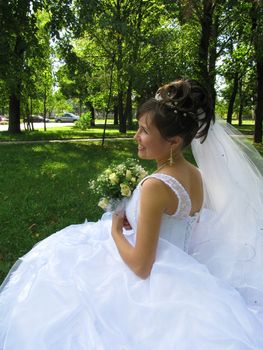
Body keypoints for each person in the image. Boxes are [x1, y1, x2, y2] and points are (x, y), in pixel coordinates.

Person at [1, 78, 263, 349]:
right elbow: (178, 221)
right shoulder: (196, 175)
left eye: (144, 130)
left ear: (172, 141)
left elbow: (141, 265)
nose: (136, 136)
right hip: (184, 262)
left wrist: (116, 231)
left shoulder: (155, 186)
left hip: (155, 275)